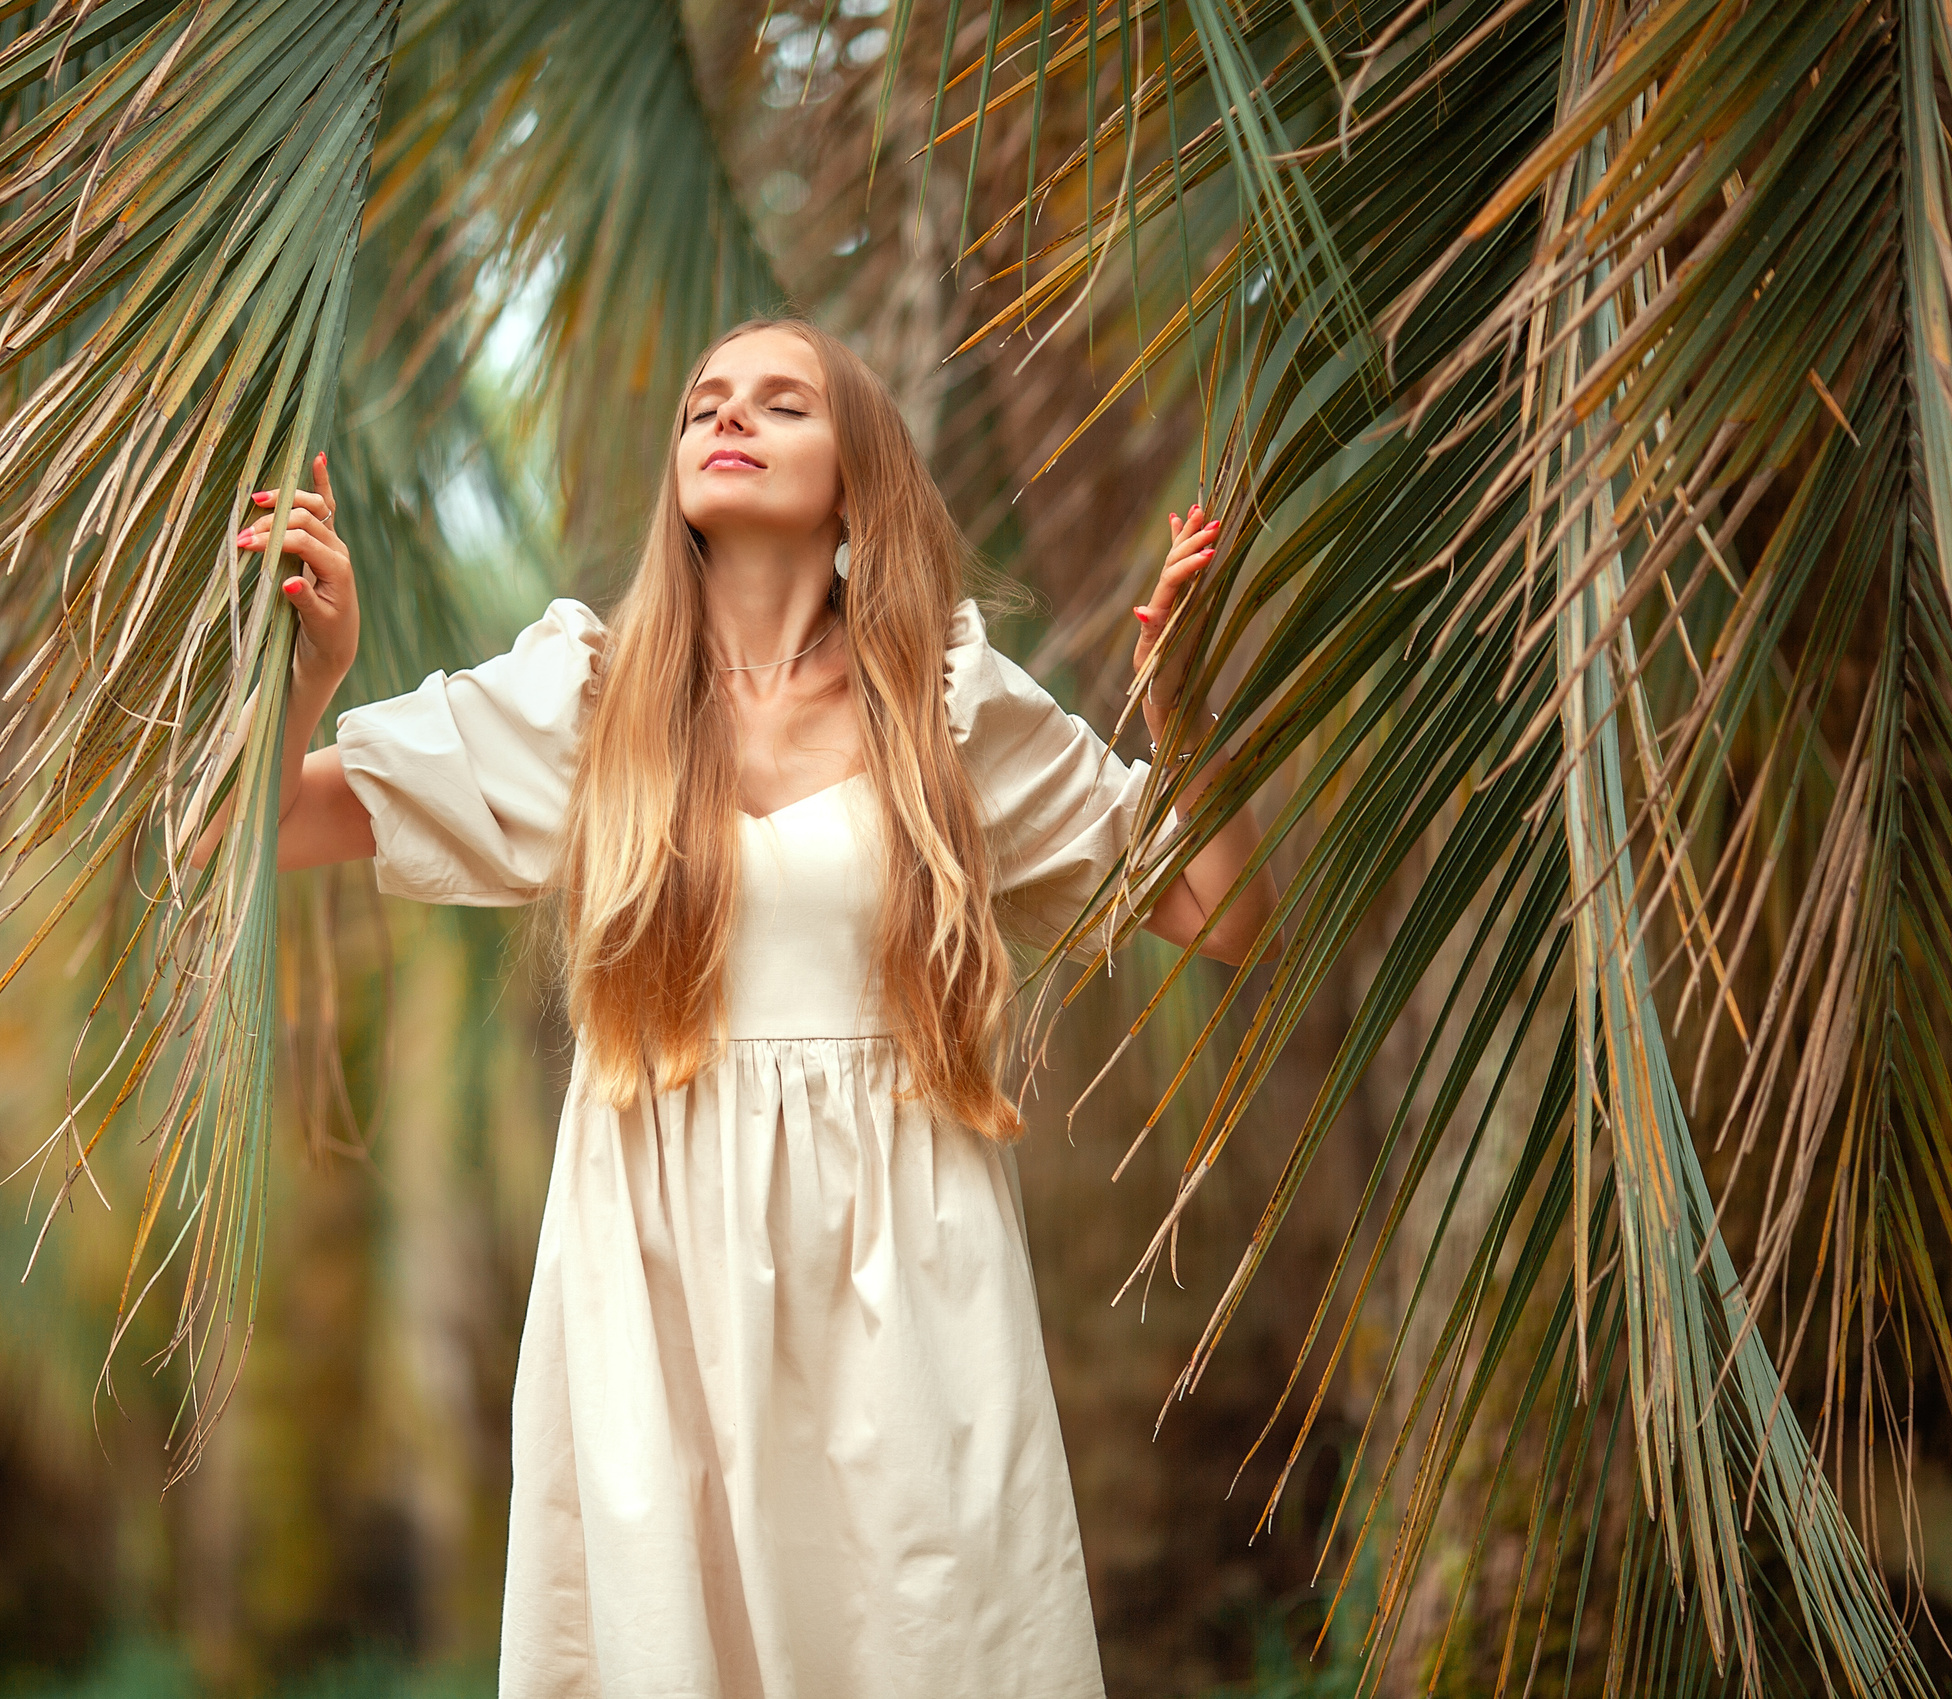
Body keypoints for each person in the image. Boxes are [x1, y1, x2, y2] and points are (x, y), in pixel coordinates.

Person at [202, 318, 1275, 1698]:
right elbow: (264, 824)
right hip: (657, 1276)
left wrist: (1185, 716)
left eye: (783, 403)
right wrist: (311, 676)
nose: (729, 417)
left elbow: (1225, 915)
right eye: (707, 399)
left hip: (903, 1279)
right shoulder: (589, 702)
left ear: (856, 478)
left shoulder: (943, 711)